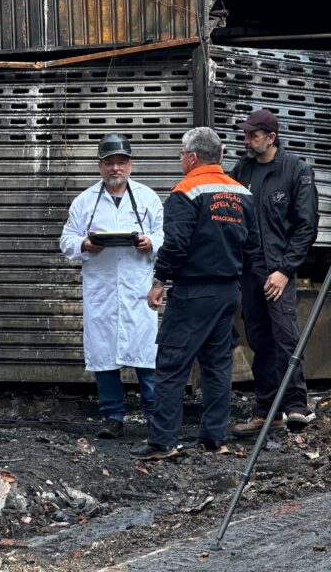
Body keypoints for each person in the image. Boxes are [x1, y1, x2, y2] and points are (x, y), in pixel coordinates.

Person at [129, 127, 264, 460]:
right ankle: (214, 438)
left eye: (180, 155)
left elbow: (174, 244)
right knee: (217, 367)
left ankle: (162, 442)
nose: (180, 161)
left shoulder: (185, 191)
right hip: (228, 292)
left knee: (172, 364)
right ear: (218, 156)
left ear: (191, 156)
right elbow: (253, 246)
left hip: (193, 294)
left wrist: (160, 280)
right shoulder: (241, 193)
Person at [59, 133, 164, 439]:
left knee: (146, 353)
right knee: (104, 354)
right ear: (100, 166)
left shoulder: (147, 198)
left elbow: (165, 236)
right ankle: (112, 416)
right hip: (102, 291)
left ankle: (154, 416)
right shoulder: (84, 201)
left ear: (130, 165)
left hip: (138, 289)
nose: (115, 168)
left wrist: (150, 242)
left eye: (121, 162)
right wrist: (84, 243)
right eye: (109, 163)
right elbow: (66, 239)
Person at [229, 108, 320, 436]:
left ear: (271, 137)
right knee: (259, 340)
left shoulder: (295, 170)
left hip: (278, 272)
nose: (247, 140)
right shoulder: (243, 169)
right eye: (246, 135)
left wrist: (284, 270)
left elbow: (306, 226)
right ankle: (266, 411)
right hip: (250, 271)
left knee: (285, 336)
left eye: (253, 135)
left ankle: (296, 405)